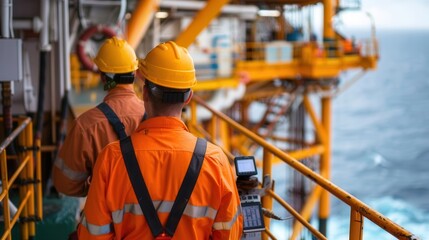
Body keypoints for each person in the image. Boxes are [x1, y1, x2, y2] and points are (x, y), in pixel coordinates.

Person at [77, 41, 243, 239]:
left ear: (145, 92)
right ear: (189, 97)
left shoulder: (111, 159)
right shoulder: (216, 161)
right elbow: (230, 234)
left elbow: (92, 235)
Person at [52, 36, 145, 197]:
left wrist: (99, 188)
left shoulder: (86, 125)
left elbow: (65, 184)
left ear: (103, 77)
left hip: (106, 216)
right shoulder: (156, 118)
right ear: (135, 73)